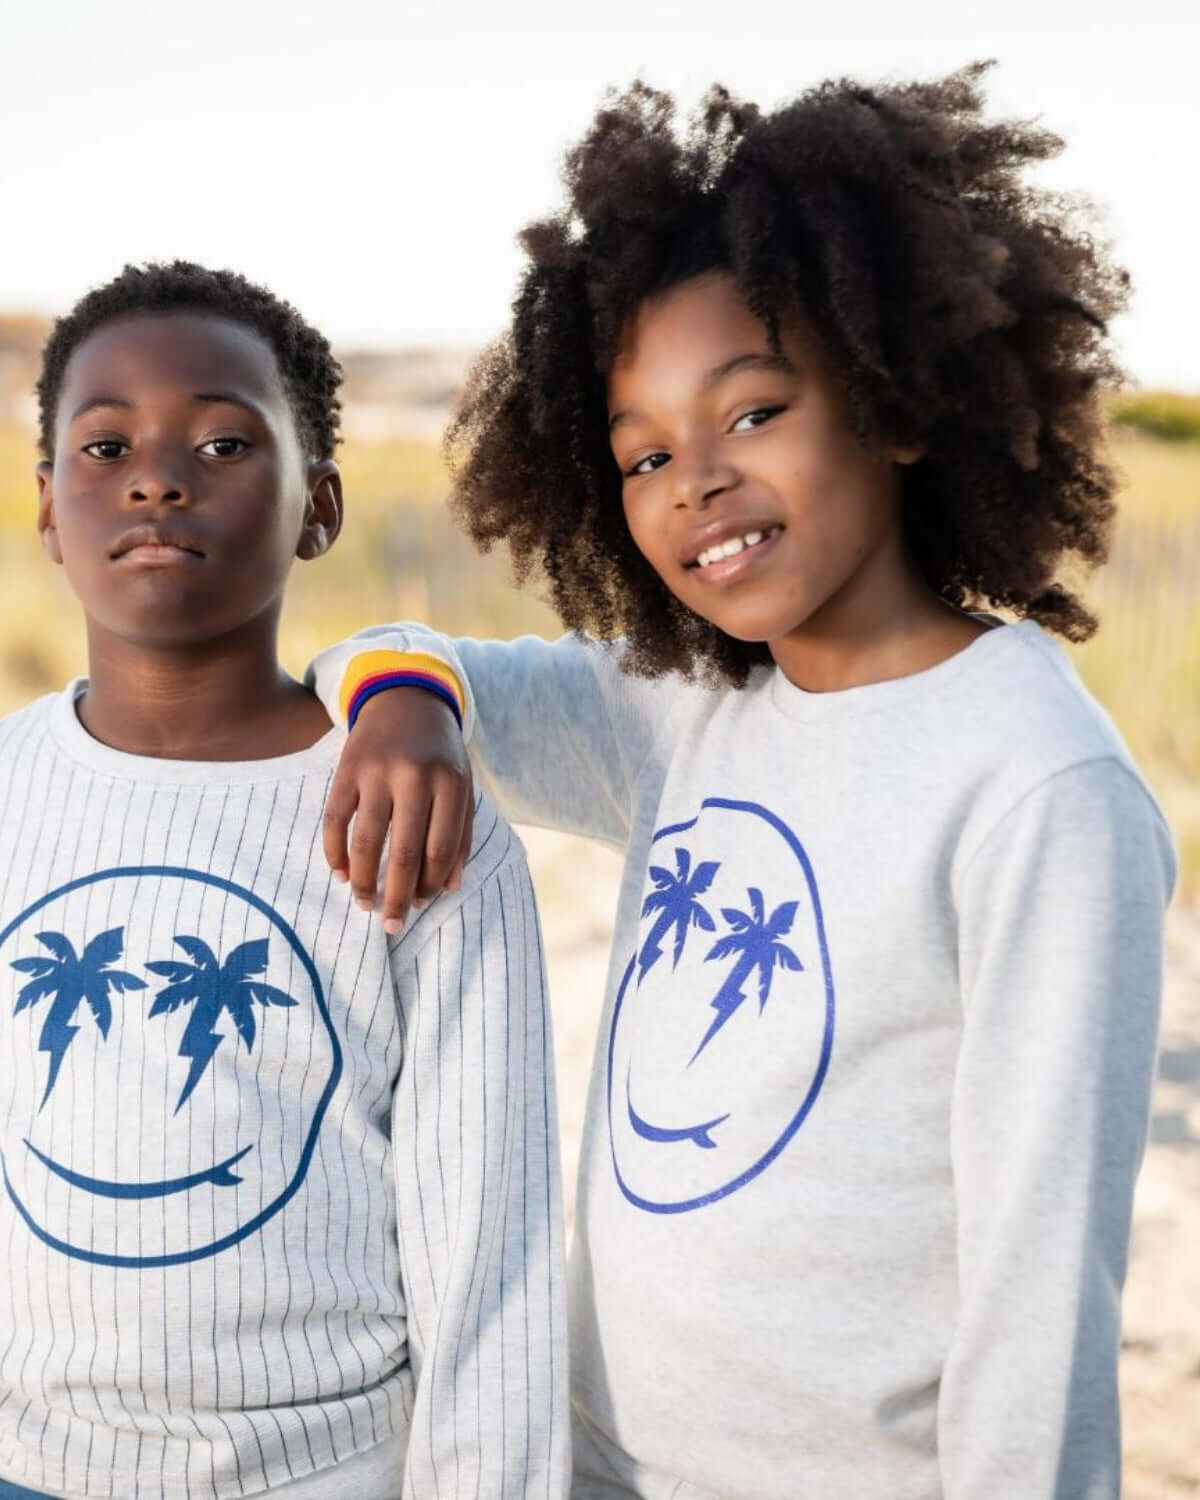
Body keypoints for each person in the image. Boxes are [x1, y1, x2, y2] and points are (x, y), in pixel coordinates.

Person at [308, 66, 1176, 1499]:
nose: (693, 482)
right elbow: (395, 654)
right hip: (599, 1469)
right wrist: (405, 703)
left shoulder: (1037, 785)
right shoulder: (680, 708)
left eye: (754, 412)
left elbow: (1045, 1290)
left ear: (898, 400)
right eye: (644, 452)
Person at [0, 263, 568, 1500]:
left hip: (319, 1475)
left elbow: (491, 1249)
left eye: (223, 441)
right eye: (105, 446)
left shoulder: (415, 809)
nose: (157, 479)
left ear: (320, 505)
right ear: (46, 506)